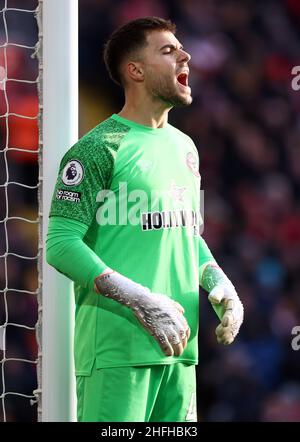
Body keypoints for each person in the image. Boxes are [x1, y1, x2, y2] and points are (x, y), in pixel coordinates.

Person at [46, 17, 244, 422]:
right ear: (135, 71)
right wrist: (138, 298)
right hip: (119, 352)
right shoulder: (99, 148)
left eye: (181, 48)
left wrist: (218, 282)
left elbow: (187, 236)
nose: (185, 55)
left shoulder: (185, 147)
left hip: (180, 352)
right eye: (167, 51)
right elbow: (61, 243)